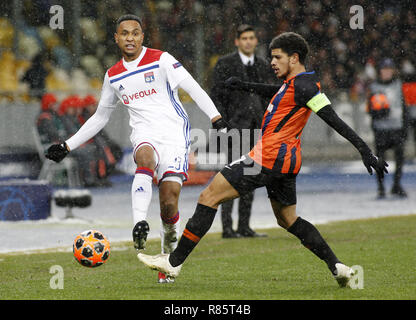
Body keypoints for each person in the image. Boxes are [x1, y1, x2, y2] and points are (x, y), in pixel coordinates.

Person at [137, 32, 388, 288]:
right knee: (288, 219)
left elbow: (334, 119)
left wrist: (365, 151)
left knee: (208, 197)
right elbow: (275, 92)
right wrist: (243, 85)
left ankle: (174, 262)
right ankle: (337, 267)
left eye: (277, 57)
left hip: (267, 158)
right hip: (287, 162)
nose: (272, 62)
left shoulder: (305, 87)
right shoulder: (295, 84)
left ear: (294, 58)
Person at [44, 14, 228, 283]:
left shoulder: (162, 59)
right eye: (124, 33)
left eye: (135, 33)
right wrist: (67, 145)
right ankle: (139, 223)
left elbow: (194, 87)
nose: (130, 38)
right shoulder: (113, 75)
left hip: (174, 134)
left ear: (142, 37)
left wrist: (216, 117)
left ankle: (168, 253)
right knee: (143, 158)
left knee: (169, 201)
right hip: (144, 134)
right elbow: (99, 117)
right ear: (116, 38)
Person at [211, 24, 275, 238]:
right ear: (237, 41)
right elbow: (216, 95)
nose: (248, 41)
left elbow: (268, 96)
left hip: (257, 129)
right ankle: (228, 228)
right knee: (230, 177)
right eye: (244, 38)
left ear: (256, 41)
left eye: (251, 37)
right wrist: (223, 123)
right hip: (233, 129)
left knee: (251, 177)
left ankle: (244, 226)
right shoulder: (225, 64)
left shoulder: (264, 65)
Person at [366, 58, 408, 198]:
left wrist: (405, 127)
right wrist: (378, 113)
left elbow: (404, 107)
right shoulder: (374, 87)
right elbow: (370, 109)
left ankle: (396, 185)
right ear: (380, 71)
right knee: (379, 160)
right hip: (381, 129)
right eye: (384, 69)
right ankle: (381, 187)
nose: (387, 72)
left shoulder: (398, 85)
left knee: (400, 158)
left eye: (389, 69)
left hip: (397, 128)